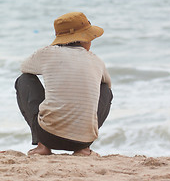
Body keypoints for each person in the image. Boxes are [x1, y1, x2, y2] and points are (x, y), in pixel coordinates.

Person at [15, 12, 113, 156]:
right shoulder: (96, 61)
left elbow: (25, 68)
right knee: (105, 90)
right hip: (83, 140)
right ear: (84, 39)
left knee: (24, 80)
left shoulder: (46, 53)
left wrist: (55, 71)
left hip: (48, 135)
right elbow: (107, 85)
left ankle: (42, 146)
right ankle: (83, 149)